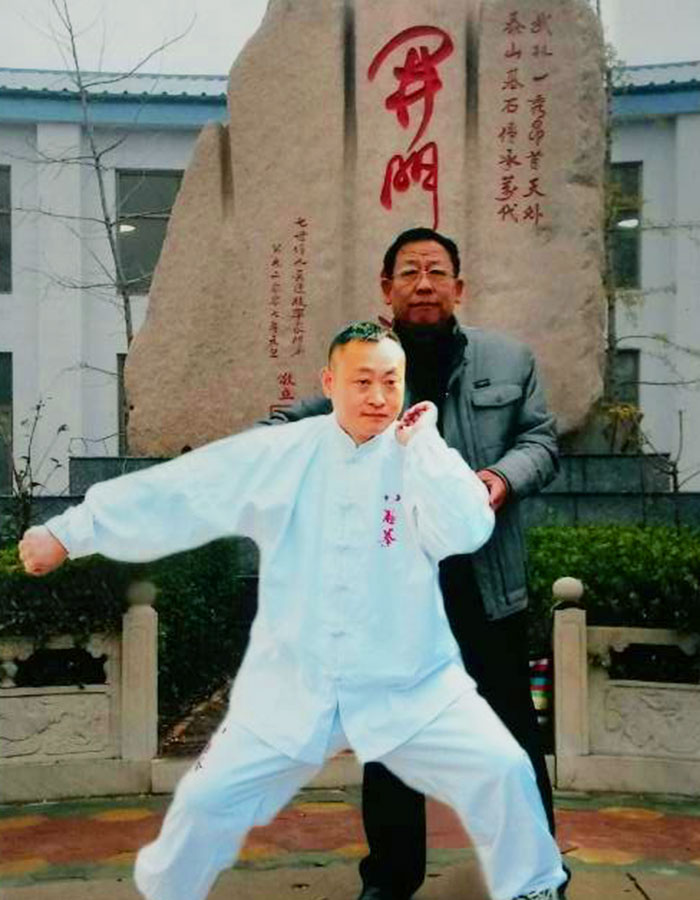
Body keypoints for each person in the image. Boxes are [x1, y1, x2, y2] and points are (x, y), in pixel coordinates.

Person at [19, 322, 566, 900]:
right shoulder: (286, 452)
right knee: (206, 802)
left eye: (390, 382)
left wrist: (426, 446)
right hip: (296, 681)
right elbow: (186, 489)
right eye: (362, 381)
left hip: (407, 683)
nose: (378, 397)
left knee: (503, 769)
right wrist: (70, 532)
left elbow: (470, 527)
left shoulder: (420, 455)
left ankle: (535, 887)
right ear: (330, 383)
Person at [263, 229, 562, 900]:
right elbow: (288, 427)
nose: (423, 284)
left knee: (510, 739)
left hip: (485, 587)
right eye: (408, 272)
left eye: (436, 271)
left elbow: (541, 441)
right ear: (386, 287)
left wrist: (500, 479)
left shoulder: (508, 359)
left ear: (459, 286)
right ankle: (391, 879)